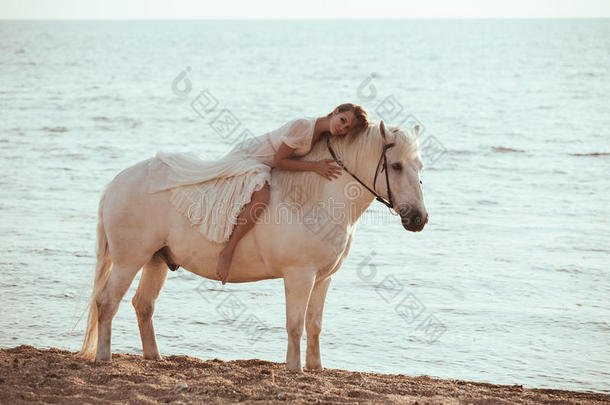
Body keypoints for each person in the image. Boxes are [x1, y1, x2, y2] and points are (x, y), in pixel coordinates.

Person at [147, 103, 369, 284]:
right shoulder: (304, 126)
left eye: (348, 128)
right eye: (343, 120)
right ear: (335, 111)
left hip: (264, 163)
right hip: (250, 158)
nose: (343, 128)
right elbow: (279, 161)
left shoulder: (322, 135)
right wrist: (316, 167)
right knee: (262, 198)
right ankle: (228, 252)